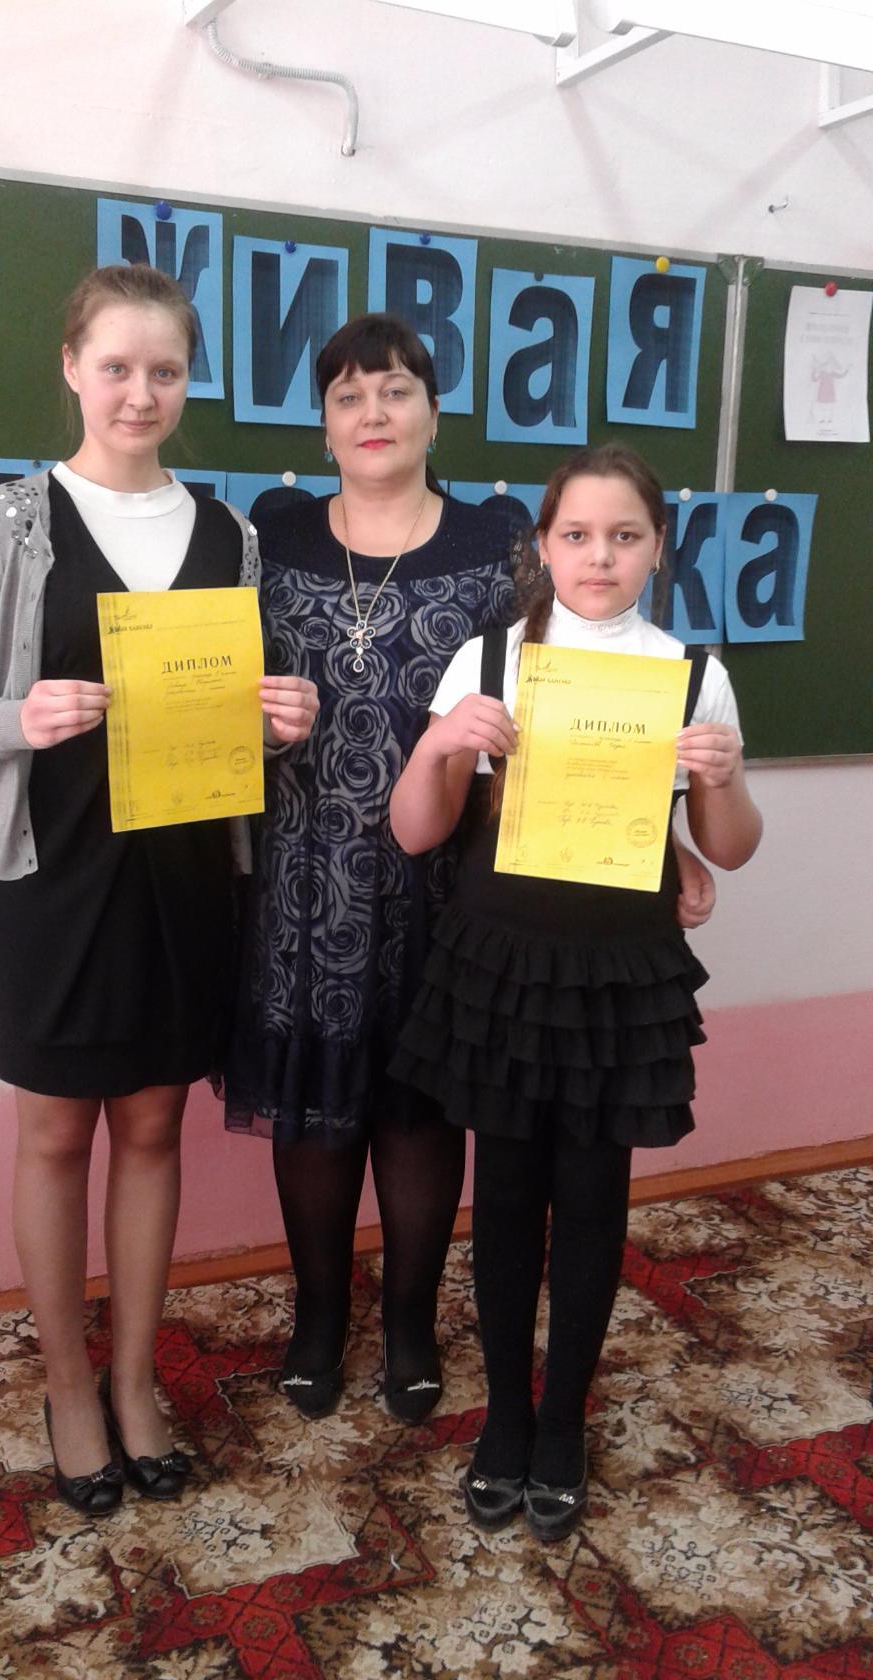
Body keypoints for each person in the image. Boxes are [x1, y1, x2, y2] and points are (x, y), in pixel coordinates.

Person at [223, 320, 715, 1426]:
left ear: (434, 413)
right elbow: (222, 693)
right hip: (304, 875)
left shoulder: (500, 546)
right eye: (349, 396)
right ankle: (318, 1315)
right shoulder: (273, 535)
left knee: (421, 1109)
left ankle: (408, 1320)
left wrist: (666, 841)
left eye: (397, 390)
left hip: (456, 878)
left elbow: (581, 706)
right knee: (312, 1111)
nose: (374, 414)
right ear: (323, 424)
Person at [0, 264, 318, 1516]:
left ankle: (134, 1381)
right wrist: (17, 718)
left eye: (166, 371)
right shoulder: (11, 523)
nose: (142, 393)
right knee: (54, 1136)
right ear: (73, 368)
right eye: (119, 367)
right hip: (53, 883)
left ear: (188, 382)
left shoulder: (230, 536)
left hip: (185, 886)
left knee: (151, 1130)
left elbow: (225, 729)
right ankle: (68, 1388)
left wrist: (278, 724)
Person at [388, 444, 761, 1536]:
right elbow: (416, 830)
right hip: (503, 968)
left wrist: (724, 778)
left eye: (625, 536)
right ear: (543, 546)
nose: (601, 556)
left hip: (616, 977)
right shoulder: (490, 658)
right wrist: (442, 746)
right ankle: (506, 1417)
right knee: (505, 1197)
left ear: (657, 548)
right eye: (578, 535)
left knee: (594, 1202)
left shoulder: (689, 672)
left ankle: (563, 1423)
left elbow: (729, 847)